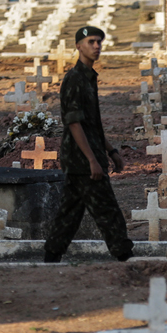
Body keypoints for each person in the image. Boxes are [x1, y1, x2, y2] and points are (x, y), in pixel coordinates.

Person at [43, 25, 134, 263]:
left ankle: (51, 257)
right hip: (82, 160)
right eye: (92, 42)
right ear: (78, 46)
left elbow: (91, 125)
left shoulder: (88, 78)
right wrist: (93, 160)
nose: (96, 46)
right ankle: (125, 257)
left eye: (99, 42)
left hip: (84, 157)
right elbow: (74, 125)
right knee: (108, 210)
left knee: (70, 213)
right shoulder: (74, 79)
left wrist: (112, 151)